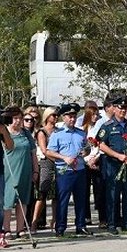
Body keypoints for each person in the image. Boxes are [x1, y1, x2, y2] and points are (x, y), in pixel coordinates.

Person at [97, 96, 127, 235]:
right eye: (120, 108)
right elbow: (100, 144)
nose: (122, 111)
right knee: (112, 194)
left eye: (124, 108)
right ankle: (112, 223)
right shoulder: (107, 126)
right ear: (114, 109)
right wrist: (117, 155)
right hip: (114, 165)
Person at [45, 103, 91, 236]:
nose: (72, 119)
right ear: (64, 118)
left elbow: (86, 148)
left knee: (81, 199)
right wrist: (64, 157)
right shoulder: (57, 134)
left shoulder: (81, 133)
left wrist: (86, 151)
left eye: (74, 116)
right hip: (64, 171)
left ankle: (81, 225)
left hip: (80, 169)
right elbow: (49, 151)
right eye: (69, 117)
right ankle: (60, 227)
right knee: (63, 199)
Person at [2, 107, 38, 244]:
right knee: (8, 201)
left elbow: (33, 153)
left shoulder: (26, 133)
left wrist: (36, 170)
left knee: (23, 200)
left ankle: (20, 228)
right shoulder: (4, 132)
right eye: (16, 118)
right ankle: (6, 229)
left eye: (20, 118)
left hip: (25, 170)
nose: (18, 121)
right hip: (9, 170)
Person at [33, 107, 57, 231]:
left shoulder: (58, 131)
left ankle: (55, 221)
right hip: (46, 163)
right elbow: (44, 150)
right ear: (47, 116)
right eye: (53, 115)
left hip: (58, 163)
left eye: (56, 115)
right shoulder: (42, 132)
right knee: (42, 193)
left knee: (56, 195)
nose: (55, 117)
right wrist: (58, 159)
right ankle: (34, 222)